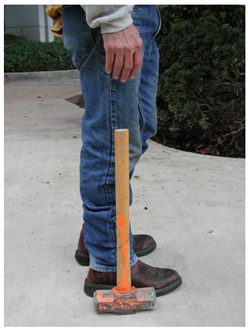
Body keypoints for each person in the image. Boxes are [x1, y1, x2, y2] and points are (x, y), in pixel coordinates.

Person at [60, 5, 182, 297]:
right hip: (113, 17)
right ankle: (108, 261)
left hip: (138, 15)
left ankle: (98, 233)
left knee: (138, 130)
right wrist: (112, 18)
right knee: (111, 141)